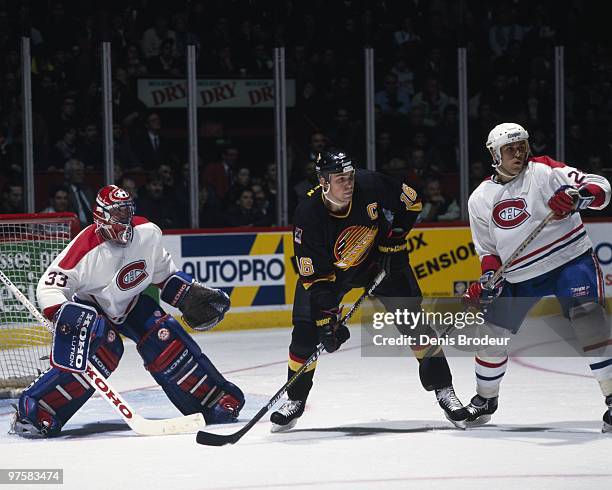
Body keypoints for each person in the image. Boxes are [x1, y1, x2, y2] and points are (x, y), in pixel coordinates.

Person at [10, 185, 244, 437]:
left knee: (165, 338)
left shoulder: (147, 233)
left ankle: (214, 399)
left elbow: (163, 273)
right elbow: (49, 287)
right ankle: (34, 411)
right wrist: (67, 314)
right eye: (118, 213)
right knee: (102, 351)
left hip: (132, 303)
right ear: (101, 216)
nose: (125, 219)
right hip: (94, 309)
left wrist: (186, 293)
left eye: (127, 211)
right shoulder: (85, 248)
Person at [269, 149, 468, 432]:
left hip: (379, 264)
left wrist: (395, 240)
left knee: (415, 325)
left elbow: (412, 203)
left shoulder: (370, 184)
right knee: (305, 331)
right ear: (324, 182)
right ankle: (295, 400)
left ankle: (444, 390)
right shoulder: (308, 214)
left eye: (350, 177)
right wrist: (327, 322)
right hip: (332, 276)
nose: (349, 184)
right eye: (340, 179)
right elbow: (317, 278)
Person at [463, 122, 612, 432]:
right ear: (495, 154)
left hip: (568, 260)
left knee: (588, 318)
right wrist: (489, 278)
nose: (518, 153)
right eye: (510, 149)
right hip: (519, 275)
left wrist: (579, 197)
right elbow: (488, 252)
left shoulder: (543, 171)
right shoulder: (480, 198)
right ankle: (485, 399)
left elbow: (600, 186)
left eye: (521, 146)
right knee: (490, 334)